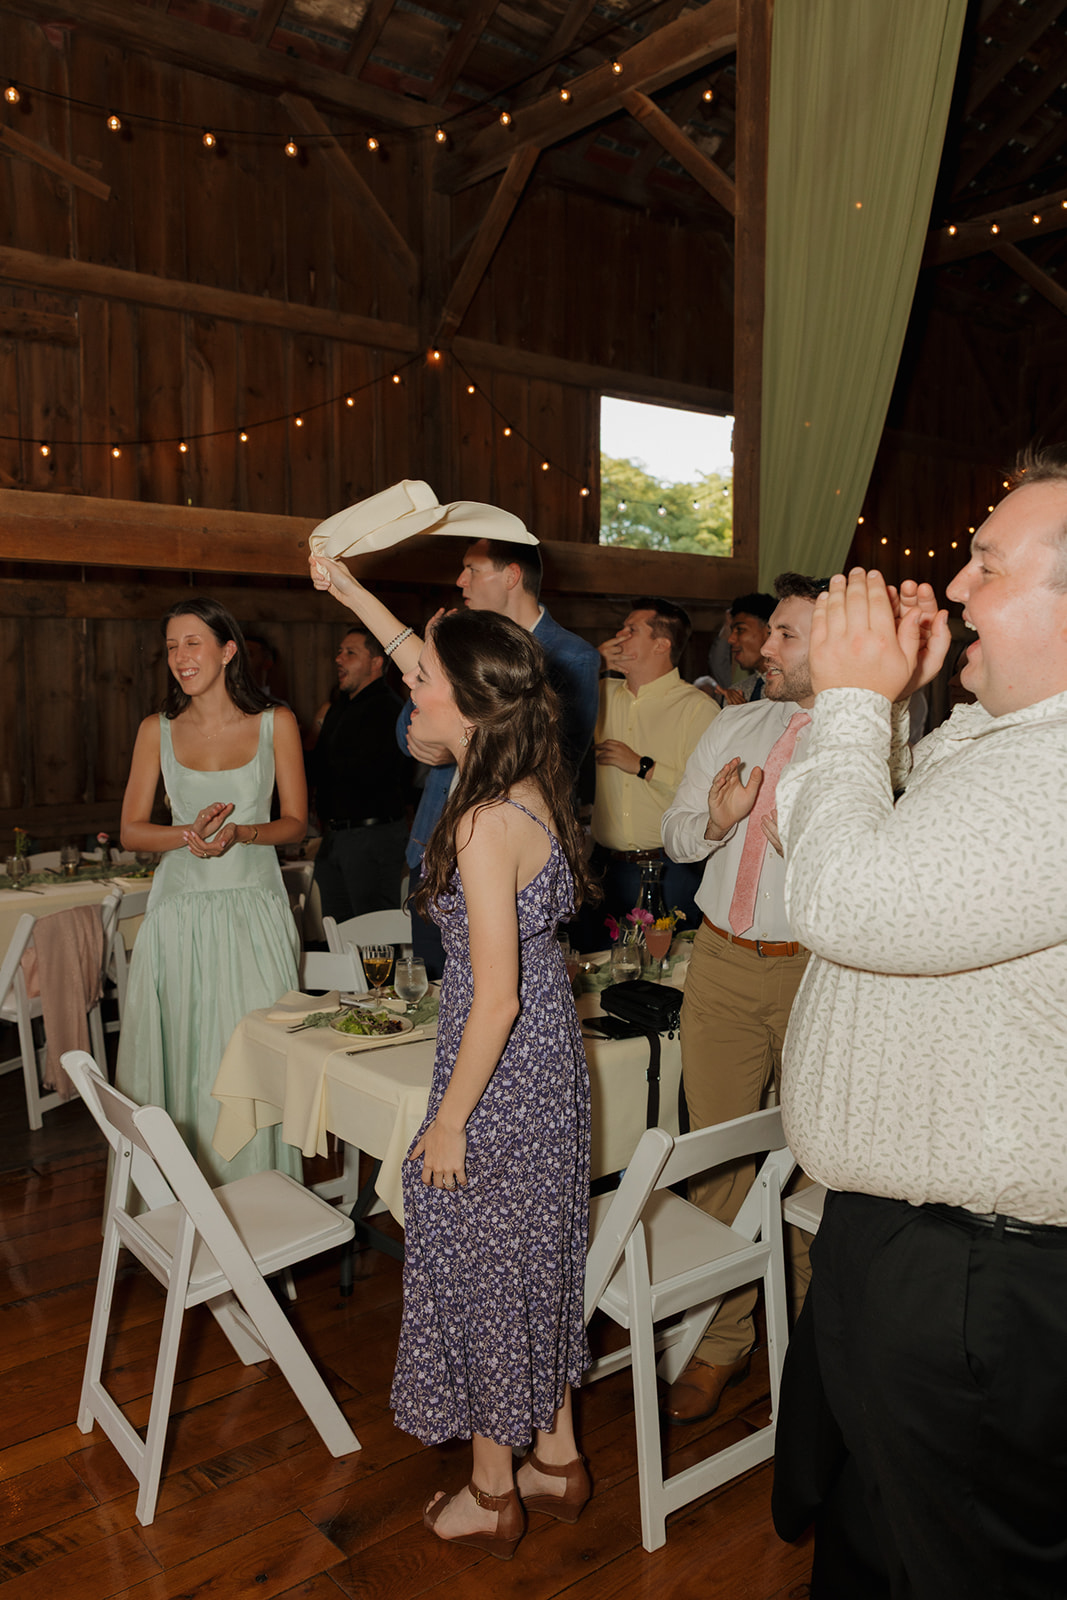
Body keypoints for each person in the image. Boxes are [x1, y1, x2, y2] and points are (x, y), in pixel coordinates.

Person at [773, 455, 1067, 1599]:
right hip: (905, 1248)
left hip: (975, 1280)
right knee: (872, 1547)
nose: (948, 584)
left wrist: (847, 700)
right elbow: (835, 844)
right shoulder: (1001, 744)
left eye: (985, 563)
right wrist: (880, 709)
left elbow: (845, 905)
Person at [310, 547, 595, 1560]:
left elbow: (498, 996)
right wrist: (345, 586)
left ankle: (490, 1487)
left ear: (467, 707)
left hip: (499, 1073)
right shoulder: (528, 779)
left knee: (480, 1266)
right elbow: (423, 656)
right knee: (531, 1257)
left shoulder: (477, 820)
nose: (405, 690)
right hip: (545, 1067)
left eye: (421, 682)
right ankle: (553, 1458)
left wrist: (446, 1120)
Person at [659, 572, 824, 1423]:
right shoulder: (733, 721)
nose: (764, 648)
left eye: (789, 636)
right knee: (718, 1155)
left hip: (817, 976)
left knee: (812, 1165)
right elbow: (675, 830)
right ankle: (722, 1344)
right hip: (720, 964)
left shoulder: (871, 741)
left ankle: (808, 1350)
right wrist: (718, 822)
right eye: (772, 633)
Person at [116, 598, 306, 1183]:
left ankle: (264, 1207)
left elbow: (296, 822)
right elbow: (130, 830)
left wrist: (243, 832)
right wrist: (186, 834)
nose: (180, 657)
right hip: (177, 917)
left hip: (254, 912)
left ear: (227, 652)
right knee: (181, 1061)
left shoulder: (278, 722)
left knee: (254, 1060)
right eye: (171, 646)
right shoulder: (157, 730)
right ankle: (177, 1207)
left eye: (192, 643)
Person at [399, 537, 600, 977]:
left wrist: (457, 744)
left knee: (488, 982)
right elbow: (406, 733)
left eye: (472, 568)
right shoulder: (462, 640)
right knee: (439, 986)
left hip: (503, 842)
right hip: (436, 842)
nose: (459, 580)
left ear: (511, 576)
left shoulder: (570, 655)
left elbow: (555, 760)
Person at [576, 597, 718, 948]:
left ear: (661, 644)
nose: (619, 635)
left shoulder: (696, 708)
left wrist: (644, 767)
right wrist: (592, 663)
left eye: (631, 629)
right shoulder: (598, 693)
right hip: (604, 870)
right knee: (600, 975)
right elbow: (540, 696)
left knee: (663, 978)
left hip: (670, 869)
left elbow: (710, 795)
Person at [308, 627, 412, 922]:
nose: (339, 659)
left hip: (372, 837)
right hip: (335, 837)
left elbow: (360, 771)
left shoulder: (389, 709)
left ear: (376, 662)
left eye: (350, 653)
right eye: (339, 652)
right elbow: (320, 767)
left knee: (373, 934)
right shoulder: (341, 708)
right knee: (337, 933)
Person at [706, 590, 776, 704]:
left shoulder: (794, 691)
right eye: (732, 631)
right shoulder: (738, 691)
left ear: (768, 631)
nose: (731, 639)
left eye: (740, 630)